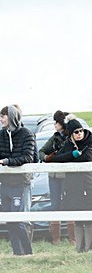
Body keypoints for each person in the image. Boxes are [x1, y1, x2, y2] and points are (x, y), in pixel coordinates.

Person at [52, 118, 92, 252]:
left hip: (87, 183)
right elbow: (56, 159)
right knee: (78, 218)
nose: (79, 134)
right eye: (76, 132)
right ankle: (80, 249)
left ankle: (89, 249)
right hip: (72, 185)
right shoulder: (68, 144)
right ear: (71, 134)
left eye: (81, 131)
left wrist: (71, 158)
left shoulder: (90, 140)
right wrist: (72, 154)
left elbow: (88, 157)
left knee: (89, 217)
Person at [0, 105, 36, 255]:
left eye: (3, 116)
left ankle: (28, 252)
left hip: (20, 183)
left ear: (12, 117)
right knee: (9, 221)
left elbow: (28, 157)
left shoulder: (27, 134)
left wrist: (7, 161)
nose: (1, 119)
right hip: (5, 183)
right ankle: (17, 253)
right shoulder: (1, 135)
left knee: (18, 221)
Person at [39, 110, 70, 244]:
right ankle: (56, 239)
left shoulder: (71, 136)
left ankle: (72, 238)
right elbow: (41, 151)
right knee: (55, 204)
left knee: (69, 204)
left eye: (56, 122)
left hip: (68, 176)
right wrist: (47, 157)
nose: (55, 124)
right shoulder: (55, 137)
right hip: (54, 176)